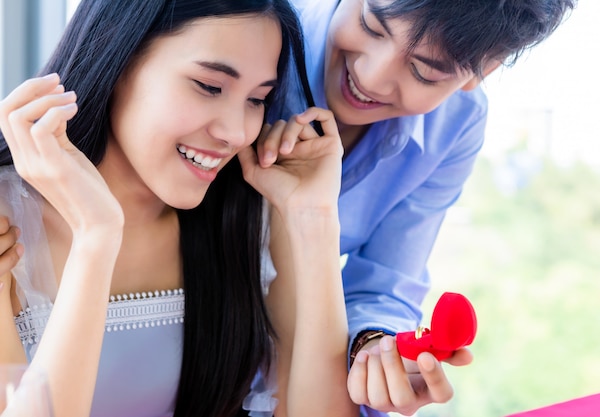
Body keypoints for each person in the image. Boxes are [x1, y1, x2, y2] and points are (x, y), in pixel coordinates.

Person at [0, 1, 358, 417]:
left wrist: (315, 217)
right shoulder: (9, 222)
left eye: (258, 99)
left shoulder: (247, 215)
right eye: (209, 86)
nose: (236, 132)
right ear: (119, 55)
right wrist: (96, 235)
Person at [258, 0, 577, 415]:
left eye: (424, 71)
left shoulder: (455, 123)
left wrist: (373, 347)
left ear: (487, 68)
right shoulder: (254, 34)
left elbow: (385, 280)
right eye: (371, 26)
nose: (371, 77)